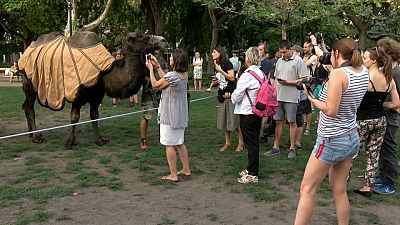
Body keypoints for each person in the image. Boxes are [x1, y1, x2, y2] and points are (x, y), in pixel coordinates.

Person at [294, 38, 369, 225]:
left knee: (307, 187)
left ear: (336, 54)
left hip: (331, 139)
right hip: (351, 136)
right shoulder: (362, 71)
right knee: (339, 189)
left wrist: (310, 98)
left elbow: (330, 110)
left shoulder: (338, 75)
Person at [352, 47, 399, 197]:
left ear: (373, 61)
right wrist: (381, 105)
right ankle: (367, 186)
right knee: (373, 154)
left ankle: (342, 181)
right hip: (380, 120)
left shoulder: (364, 78)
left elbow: (354, 99)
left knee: (352, 153)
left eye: (365, 58)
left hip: (362, 120)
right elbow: (395, 103)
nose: (362, 60)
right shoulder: (388, 79)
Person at [145, 48, 190, 182]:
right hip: (179, 114)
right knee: (179, 143)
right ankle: (186, 169)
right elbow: (166, 78)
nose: (169, 59)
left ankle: (173, 174)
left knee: (169, 144)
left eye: (171, 57)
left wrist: (150, 69)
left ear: (176, 60)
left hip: (170, 114)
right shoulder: (183, 74)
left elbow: (156, 85)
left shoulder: (173, 76)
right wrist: (157, 66)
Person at [265, 40, 308, 158]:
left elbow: (304, 79)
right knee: (278, 122)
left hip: (292, 97)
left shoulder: (298, 61)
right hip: (279, 96)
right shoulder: (279, 61)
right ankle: (276, 147)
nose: (282, 54)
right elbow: (275, 78)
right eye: (281, 52)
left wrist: (288, 82)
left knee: (292, 122)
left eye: (284, 52)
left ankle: (292, 148)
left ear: (290, 49)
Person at [231, 47, 263, 184]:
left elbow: (237, 95)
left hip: (247, 112)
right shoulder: (261, 73)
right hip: (258, 111)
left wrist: (232, 98)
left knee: (251, 144)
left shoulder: (247, 75)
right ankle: (251, 168)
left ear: (248, 59)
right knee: (254, 142)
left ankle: (253, 174)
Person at [373, 37, 400, 195]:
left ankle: (389, 182)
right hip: (383, 117)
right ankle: (382, 176)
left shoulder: (397, 73)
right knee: (382, 149)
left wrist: (383, 104)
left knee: (389, 150)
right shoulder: (388, 70)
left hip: (391, 118)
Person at [211, 47, 244, 152]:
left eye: (214, 52)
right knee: (224, 120)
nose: (212, 54)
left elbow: (232, 78)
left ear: (220, 53)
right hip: (221, 95)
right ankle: (227, 143)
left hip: (230, 95)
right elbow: (222, 79)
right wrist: (216, 81)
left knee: (235, 121)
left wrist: (221, 71)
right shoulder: (216, 64)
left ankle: (241, 143)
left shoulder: (227, 63)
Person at [139, 49, 167, 150]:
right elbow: (141, 76)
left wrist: (160, 84)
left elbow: (165, 73)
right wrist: (152, 82)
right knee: (146, 116)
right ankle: (143, 139)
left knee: (163, 115)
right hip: (148, 92)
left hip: (161, 91)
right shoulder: (144, 60)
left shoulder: (161, 60)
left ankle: (164, 138)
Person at [302, 42, 318, 136]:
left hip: (309, 82)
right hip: (303, 81)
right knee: (302, 103)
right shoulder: (304, 57)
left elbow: (304, 65)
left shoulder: (313, 57)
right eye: (303, 47)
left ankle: (308, 127)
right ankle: (304, 122)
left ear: (311, 48)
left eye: (306, 47)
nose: (304, 48)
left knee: (308, 105)